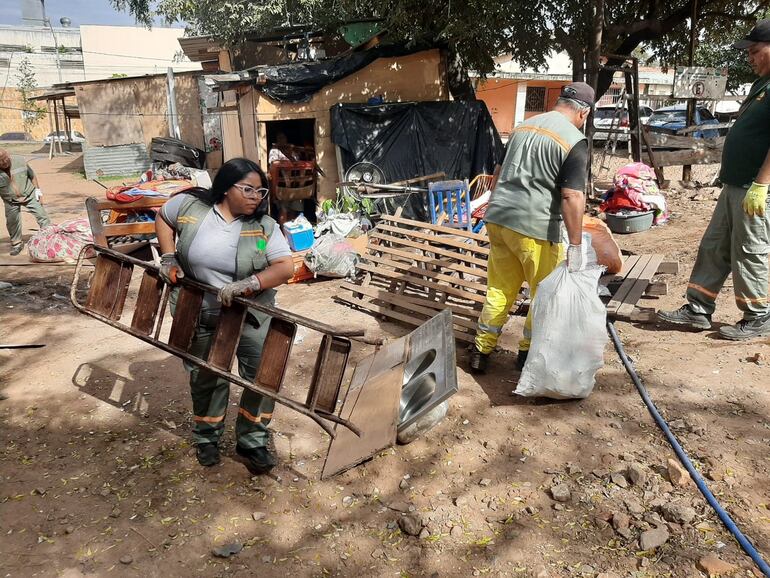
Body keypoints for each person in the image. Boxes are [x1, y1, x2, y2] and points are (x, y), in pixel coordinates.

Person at [155, 157, 294, 475]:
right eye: (248, 189)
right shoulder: (190, 207)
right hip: (203, 313)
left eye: (260, 192)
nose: (255, 197)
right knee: (206, 377)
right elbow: (163, 217)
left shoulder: (263, 226)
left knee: (262, 378)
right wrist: (167, 257)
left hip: (250, 315)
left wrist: (250, 283)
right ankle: (207, 438)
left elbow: (285, 267)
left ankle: (253, 441)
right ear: (226, 187)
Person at [469, 82, 594, 373]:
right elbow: (572, 195)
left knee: (499, 289)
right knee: (543, 295)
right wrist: (575, 246)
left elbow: (498, 173)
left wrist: (494, 209)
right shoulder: (574, 140)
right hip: (535, 229)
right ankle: (526, 356)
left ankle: (480, 351)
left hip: (499, 220)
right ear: (583, 113)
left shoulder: (523, 126)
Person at [658, 21, 770, 340]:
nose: (749, 57)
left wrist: (762, 184)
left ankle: (758, 316)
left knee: (749, 249)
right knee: (715, 244)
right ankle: (698, 308)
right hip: (735, 185)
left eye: (755, 51)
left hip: (755, 187)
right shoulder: (761, 86)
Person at [0, 148, 51, 255]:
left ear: (8, 155)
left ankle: (48, 239)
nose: (4, 162)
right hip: (10, 200)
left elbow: (32, 175)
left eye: (5, 159)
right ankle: (17, 244)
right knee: (12, 222)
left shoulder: (20, 161)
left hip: (29, 194)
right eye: (1, 161)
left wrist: (37, 190)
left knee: (42, 216)